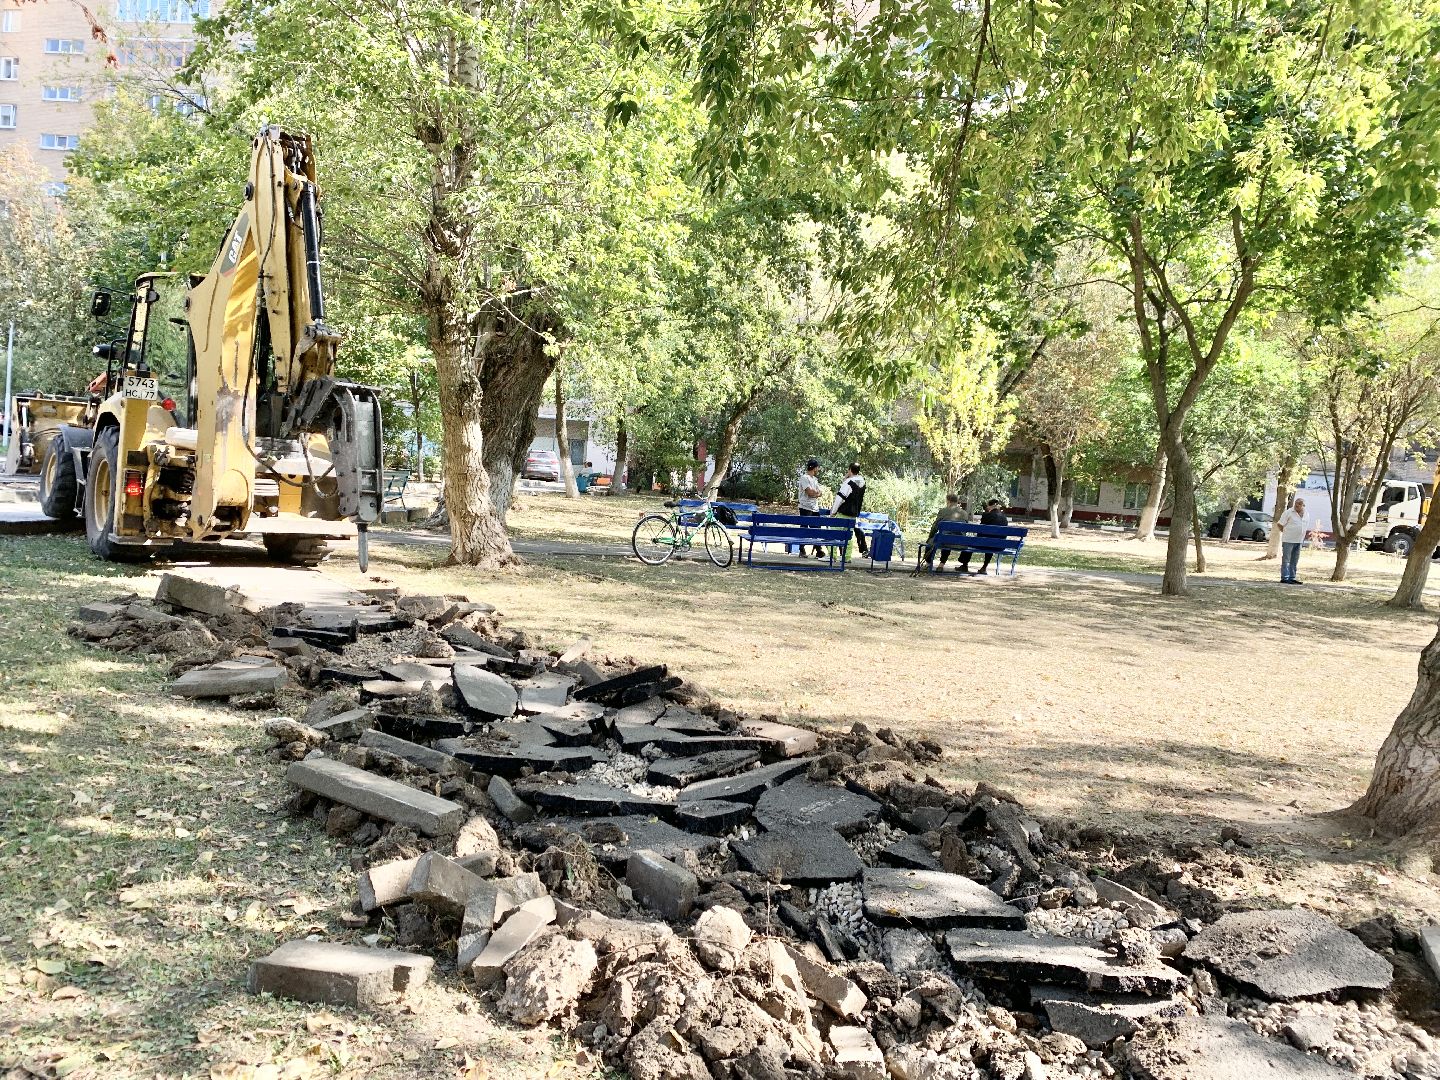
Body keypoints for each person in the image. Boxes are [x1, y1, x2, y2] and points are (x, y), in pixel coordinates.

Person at [920, 493, 969, 571]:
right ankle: (941, 564)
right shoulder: (964, 513)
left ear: (948, 501)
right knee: (948, 538)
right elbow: (966, 529)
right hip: (960, 542)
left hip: (944, 540)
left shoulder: (943, 511)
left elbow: (935, 527)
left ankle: (928, 563)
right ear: (957, 502)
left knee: (933, 541)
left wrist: (930, 536)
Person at [959, 498, 1008, 574]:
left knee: (970, 541)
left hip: (983, 543)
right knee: (992, 541)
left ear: (989, 506)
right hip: (998, 545)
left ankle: (964, 565)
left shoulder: (986, 515)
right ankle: (984, 567)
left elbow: (980, 531)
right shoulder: (1004, 518)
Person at [832, 462, 868, 557]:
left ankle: (832, 556)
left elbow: (840, 498)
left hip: (844, 512)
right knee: (848, 536)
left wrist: (833, 511)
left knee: (833, 534)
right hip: (854, 514)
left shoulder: (849, 482)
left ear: (850, 470)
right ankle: (847, 557)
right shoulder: (862, 482)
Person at [796, 458, 825, 559]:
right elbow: (810, 492)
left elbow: (819, 492)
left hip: (815, 508)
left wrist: (816, 493)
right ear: (814, 468)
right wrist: (816, 493)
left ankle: (818, 550)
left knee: (816, 529)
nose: (818, 469)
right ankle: (802, 549)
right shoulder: (804, 478)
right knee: (804, 528)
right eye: (817, 467)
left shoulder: (815, 480)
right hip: (805, 507)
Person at [1278, 497, 1307, 585]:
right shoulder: (1288, 512)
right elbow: (1279, 524)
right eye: (1296, 503)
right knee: (1286, 559)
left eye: (1299, 504)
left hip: (1299, 540)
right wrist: (1286, 532)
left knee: (1295, 560)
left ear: (1303, 506)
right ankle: (1285, 578)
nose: (1297, 505)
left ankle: (1292, 577)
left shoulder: (1306, 514)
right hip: (1288, 540)